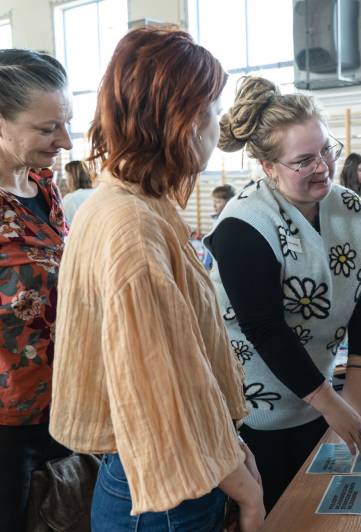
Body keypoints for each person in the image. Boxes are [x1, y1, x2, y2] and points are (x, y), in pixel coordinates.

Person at [49, 26, 265, 531]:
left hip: (165, 477)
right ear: (181, 120)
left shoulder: (132, 203)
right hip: (167, 496)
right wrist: (249, 494)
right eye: (212, 111)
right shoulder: (132, 224)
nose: (217, 127)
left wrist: (233, 451)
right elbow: (163, 395)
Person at [205, 75, 361, 513]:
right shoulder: (243, 224)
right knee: (274, 511)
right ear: (268, 167)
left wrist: (359, 379)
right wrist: (329, 401)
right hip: (255, 408)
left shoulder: (350, 207)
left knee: (321, 507)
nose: (322, 167)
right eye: (303, 161)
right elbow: (265, 329)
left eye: (326, 150)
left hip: (319, 390)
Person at [0, 48, 73, 532]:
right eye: (48, 129)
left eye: (65, 124)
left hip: (62, 401)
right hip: (7, 423)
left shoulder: (44, 185)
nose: (64, 141)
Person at [61, 160, 95, 224]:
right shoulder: (97, 193)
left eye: (66, 177)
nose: (66, 181)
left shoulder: (69, 199)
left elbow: (64, 225)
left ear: (71, 178)